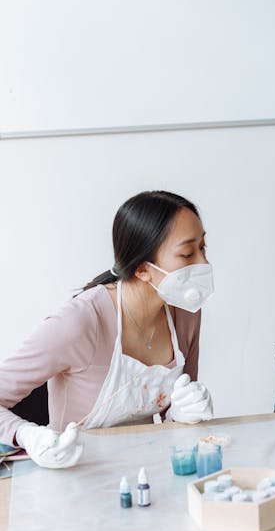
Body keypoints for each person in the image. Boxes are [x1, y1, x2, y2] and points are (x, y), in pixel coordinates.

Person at [0, 190, 215, 467]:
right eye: (187, 253)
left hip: (146, 470)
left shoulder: (186, 312)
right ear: (141, 269)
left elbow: (175, 406)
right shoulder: (79, 323)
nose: (203, 263)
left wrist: (184, 413)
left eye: (203, 248)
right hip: (75, 475)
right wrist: (26, 435)